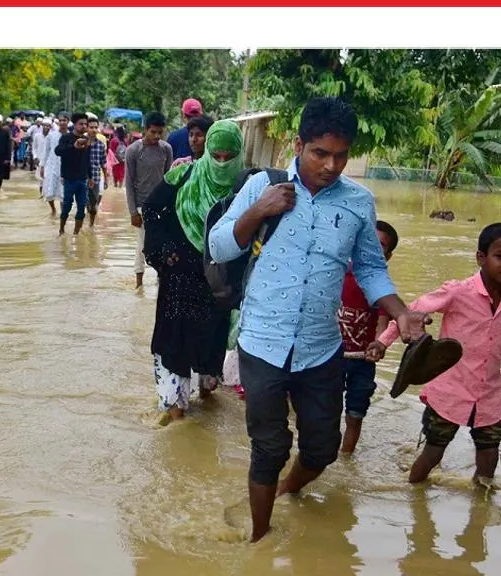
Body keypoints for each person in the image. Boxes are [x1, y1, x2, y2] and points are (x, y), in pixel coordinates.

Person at [207, 97, 429, 543]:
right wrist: (259, 210)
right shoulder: (261, 187)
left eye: (341, 155)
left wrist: (401, 313)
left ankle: (288, 490)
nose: (331, 165)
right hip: (263, 343)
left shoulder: (358, 203)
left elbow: (369, 269)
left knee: (323, 448)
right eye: (320, 153)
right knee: (269, 447)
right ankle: (259, 539)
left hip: (320, 347)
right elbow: (217, 247)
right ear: (298, 144)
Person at [375, 222, 501, 490]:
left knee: (489, 457)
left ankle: (479, 515)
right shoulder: (458, 292)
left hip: (488, 395)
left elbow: (500, 339)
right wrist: (382, 343)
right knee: (433, 453)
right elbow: (409, 313)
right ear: (481, 258)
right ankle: (412, 497)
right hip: (450, 392)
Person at [142, 120, 245, 425]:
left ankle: (207, 393)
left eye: (229, 157)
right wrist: (163, 252)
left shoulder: (246, 187)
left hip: (218, 283)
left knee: (210, 342)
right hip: (180, 278)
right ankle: (175, 409)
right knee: (175, 342)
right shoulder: (182, 174)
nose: (222, 163)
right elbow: (152, 209)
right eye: (217, 156)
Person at [338, 220, 400, 455]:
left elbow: (383, 323)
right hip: (329, 357)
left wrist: (379, 345)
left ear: (388, 255)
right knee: (324, 410)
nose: (373, 248)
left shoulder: (382, 288)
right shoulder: (338, 274)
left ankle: (346, 457)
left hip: (362, 361)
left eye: (381, 246)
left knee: (355, 414)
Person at [124, 111, 173, 289]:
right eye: (153, 132)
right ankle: (139, 284)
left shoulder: (166, 149)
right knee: (142, 246)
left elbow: (169, 178)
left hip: (161, 206)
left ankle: (162, 280)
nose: (156, 136)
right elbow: (128, 183)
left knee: (163, 244)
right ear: (145, 130)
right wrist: (132, 212)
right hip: (141, 205)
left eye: (160, 133)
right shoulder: (134, 150)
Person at [55, 113, 92, 235]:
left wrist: (90, 177)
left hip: (82, 179)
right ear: (74, 124)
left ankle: (76, 234)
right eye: (81, 124)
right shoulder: (66, 138)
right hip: (69, 179)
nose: (83, 126)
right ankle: (61, 230)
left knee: (82, 207)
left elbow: (88, 160)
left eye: (85, 124)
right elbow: (58, 151)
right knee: (66, 206)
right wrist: (74, 146)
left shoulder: (87, 140)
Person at [41, 114, 69, 216]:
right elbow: (46, 151)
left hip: (66, 167)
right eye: (60, 120)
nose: (62, 123)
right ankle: (53, 210)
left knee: (63, 192)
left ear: (68, 121)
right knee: (49, 190)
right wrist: (42, 166)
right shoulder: (51, 135)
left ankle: (63, 214)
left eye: (64, 120)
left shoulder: (71, 136)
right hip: (52, 166)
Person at [85, 120, 108, 223]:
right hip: (82, 178)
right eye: (91, 127)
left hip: (96, 178)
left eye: (95, 127)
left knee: (94, 205)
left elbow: (103, 163)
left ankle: (91, 224)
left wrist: (106, 179)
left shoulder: (101, 145)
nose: (94, 130)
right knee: (84, 202)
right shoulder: (82, 143)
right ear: (87, 128)